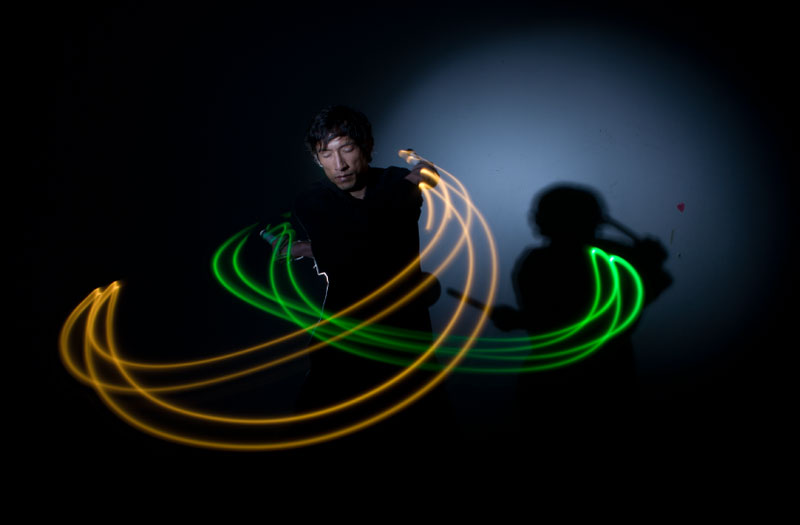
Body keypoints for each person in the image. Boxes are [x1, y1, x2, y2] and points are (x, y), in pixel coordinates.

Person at [271, 105, 450, 446]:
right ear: (317, 159)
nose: (338, 165)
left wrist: (311, 248)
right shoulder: (314, 200)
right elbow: (359, 241)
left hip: (403, 337)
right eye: (326, 154)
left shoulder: (393, 181)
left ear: (366, 147)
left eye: (347, 149)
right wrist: (415, 181)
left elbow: (366, 236)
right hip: (345, 339)